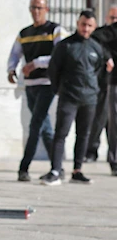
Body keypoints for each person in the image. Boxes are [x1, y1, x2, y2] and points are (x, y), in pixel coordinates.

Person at [40, 10, 108, 186]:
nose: (85, 28)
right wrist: (59, 90)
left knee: (84, 134)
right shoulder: (65, 46)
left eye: (89, 26)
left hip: (89, 99)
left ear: (94, 27)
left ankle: (77, 170)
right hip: (69, 97)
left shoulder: (96, 48)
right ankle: (55, 170)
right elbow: (54, 70)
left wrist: (94, 91)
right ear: (78, 24)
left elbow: (99, 72)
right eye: (83, 24)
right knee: (61, 133)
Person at [7, 0, 65, 182]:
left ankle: (24, 168)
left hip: (47, 84)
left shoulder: (54, 30)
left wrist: (36, 63)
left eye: (40, 8)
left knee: (35, 124)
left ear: (46, 9)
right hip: (30, 85)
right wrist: (11, 69)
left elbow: (59, 56)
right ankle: (57, 167)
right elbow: (15, 54)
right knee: (45, 127)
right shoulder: (24, 33)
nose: (36, 11)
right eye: (33, 7)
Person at [87, 5, 117, 175]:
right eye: (112, 18)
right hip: (106, 82)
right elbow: (95, 38)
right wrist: (107, 57)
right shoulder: (107, 32)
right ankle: (93, 151)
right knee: (101, 117)